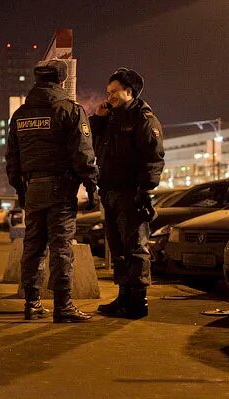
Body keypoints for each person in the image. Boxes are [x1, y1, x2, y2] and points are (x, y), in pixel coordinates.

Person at [5, 59, 99, 323]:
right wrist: (92, 187)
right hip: (61, 188)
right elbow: (83, 154)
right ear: (62, 81)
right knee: (61, 247)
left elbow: (12, 158)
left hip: (32, 187)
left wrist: (21, 190)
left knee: (33, 247)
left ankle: (32, 303)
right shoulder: (68, 110)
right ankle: (63, 305)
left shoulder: (21, 115)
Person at [90, 67, 165, 318]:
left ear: (128, 92)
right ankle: (123, 297)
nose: (108, 96)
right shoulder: (111, 119)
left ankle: (137, 301)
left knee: (135, 247)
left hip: (130, 192)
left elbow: (153, 159)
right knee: (117, 247)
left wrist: (144, 190)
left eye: (114, 92)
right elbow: (91, 145)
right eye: (107, 91)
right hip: (110, 191)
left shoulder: (143, 119)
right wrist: (98, 120)